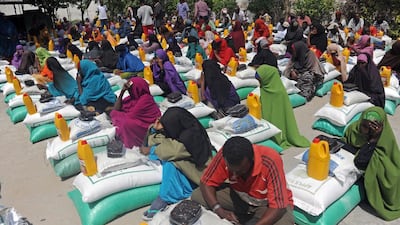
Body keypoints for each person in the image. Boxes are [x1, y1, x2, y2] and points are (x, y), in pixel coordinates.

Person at [191, 136, 294, 225]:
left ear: (252, 160)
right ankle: (243, 216)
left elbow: (278, 206)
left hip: (265, 204)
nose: (234, 176)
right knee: (198, 195)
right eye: (231, 170)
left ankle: (250, 218)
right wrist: (219, 210)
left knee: (284, 222)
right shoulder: (225, 154)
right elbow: (206, 182)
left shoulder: (270, 160)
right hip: (241, 197)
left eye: (240, 171)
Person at [139, 107, 213, 220]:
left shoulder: (190, 137)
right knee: (168, 156)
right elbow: (159, 142)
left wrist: (151, 150)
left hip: (199, 172)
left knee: (170, 162)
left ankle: (166, 197)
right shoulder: (178, 130)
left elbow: (170, 151)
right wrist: (155, 129)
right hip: (189, 167)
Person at [342, 106, 400, 221]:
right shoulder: (354, 130)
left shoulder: (384, 142)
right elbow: (345, 144)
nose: (367, 130)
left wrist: (373, 140)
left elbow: (361, 162)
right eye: (364, 126)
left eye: (372, 127)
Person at [256, 64, 310, 149]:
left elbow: (282, 113)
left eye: (260, 80)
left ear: (267, 78)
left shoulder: (279, 93)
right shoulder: (263, 89)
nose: (259, 83)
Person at [110, 77, 161, 148]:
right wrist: (122, 92)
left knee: (126, 124)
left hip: (145, 126)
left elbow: (131, 116)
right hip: (136, 120)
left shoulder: (146, 98)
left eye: (132, 89)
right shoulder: (131, 98)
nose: (130, 91)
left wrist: (117, 114)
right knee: (121, 119)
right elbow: (116, 109)